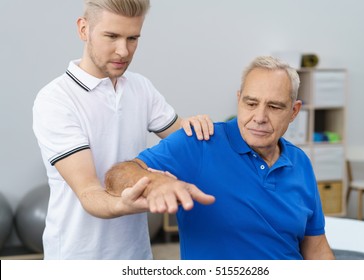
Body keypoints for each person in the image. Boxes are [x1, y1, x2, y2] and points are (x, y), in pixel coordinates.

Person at [32, 0, 214, 260]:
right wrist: (123, 203)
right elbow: (89, 192)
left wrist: (196, 127)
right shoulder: (55, 99)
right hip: (78, 259)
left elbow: (183, 139)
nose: (123, 51)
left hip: (136, 255)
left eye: (132, 38)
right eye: (112, 36)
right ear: (84, 29)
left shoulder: (140, 88)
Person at [104, 56, 336, 260]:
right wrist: (157, 183)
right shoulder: (199, 143)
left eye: (274, 107)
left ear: (294, 111)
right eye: (251, 103)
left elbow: (316, 248)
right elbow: (118, 175)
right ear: (239, 99)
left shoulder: (300, 162)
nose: (260, 117)